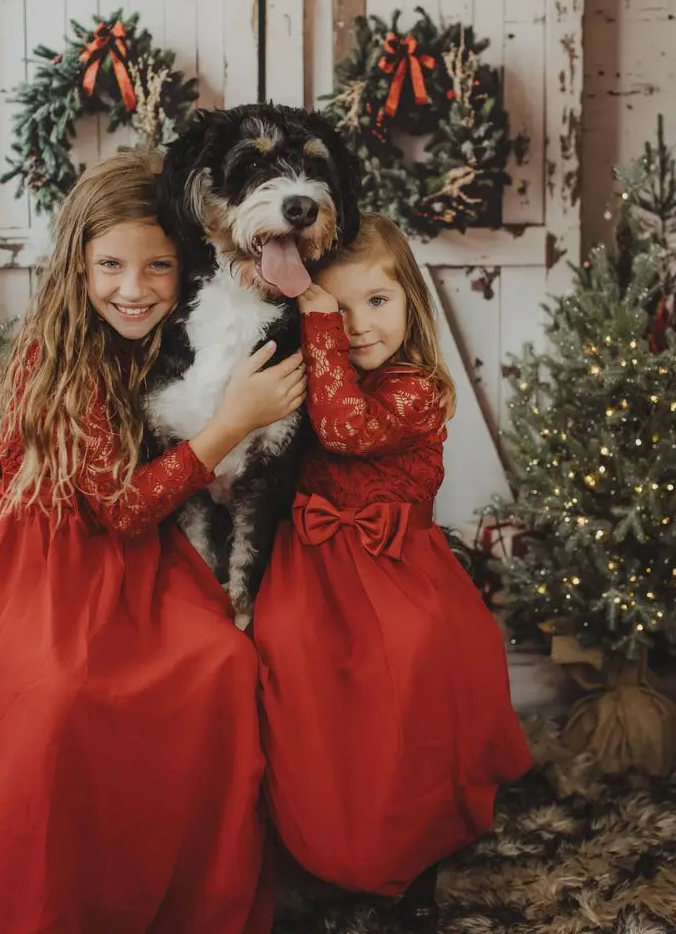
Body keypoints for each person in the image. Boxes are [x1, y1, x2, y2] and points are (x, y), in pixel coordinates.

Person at [0, 150, 306, 934]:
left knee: (221, 663)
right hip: (49, 562)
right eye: (110, 265)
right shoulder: (61, 352)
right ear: (77, 266)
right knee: (62, 698)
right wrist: (231, 425)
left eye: (158, 266)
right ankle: (56, 898)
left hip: (138, 559)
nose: (134, 288)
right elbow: (121, 504)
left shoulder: (172, 332)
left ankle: (176, 892)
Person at [253, 213, 531, 920]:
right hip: (310, 567)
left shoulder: (416, 388)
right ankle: (313, 840)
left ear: (411, 298)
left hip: (395, 568)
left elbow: (347, 428)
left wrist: (315, 319)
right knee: (289, 661)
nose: (357, 324)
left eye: (376, 302)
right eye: (337, 307)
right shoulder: (317, 370)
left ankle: (408, 852)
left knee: (413, 672)